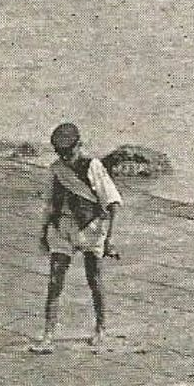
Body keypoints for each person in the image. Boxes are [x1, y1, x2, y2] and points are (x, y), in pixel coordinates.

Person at [31, 122, 122, 353]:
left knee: (94, 279)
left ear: (79, 145)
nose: (66, 158)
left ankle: (101, 327)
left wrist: (109, 240)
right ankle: (48, 335)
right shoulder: (55, 170)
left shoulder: (93, 166)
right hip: (63, 227)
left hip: (92, 227)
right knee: (54, 282)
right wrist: (43, 233)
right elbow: (50, 204)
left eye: (69, 152)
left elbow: (111, 204)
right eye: (61, 154)